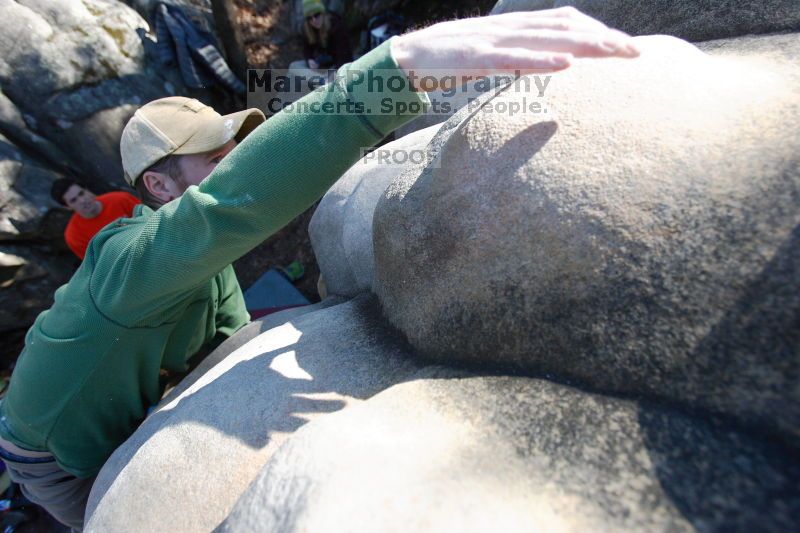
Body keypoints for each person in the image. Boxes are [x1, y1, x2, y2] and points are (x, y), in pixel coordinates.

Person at [0, 7, 639, 529]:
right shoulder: (125, 263)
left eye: (237, 147)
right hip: (55, 452)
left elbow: (225, 347)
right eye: (215, 156)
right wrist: (391, 76)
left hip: (123, 400)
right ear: (162, 187)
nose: (239, 159)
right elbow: (233, 205)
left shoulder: (204, 268)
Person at [50, 179, 141, 260]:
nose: (82, 201)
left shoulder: (120, 199)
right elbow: (96, 266)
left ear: (87, 190)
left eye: (81, 193)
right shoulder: (74, 236)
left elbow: (151, 219)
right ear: (67, 207)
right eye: (74, 200)